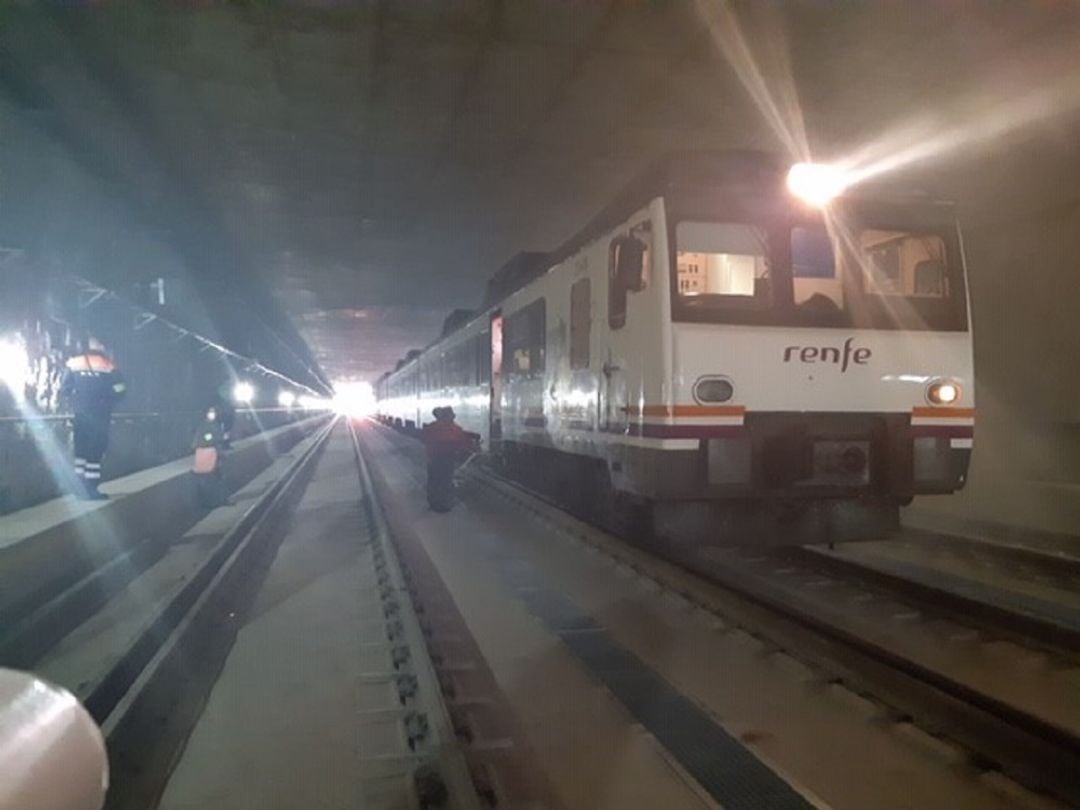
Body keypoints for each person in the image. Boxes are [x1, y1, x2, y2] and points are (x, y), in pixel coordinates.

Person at [59, 338, 126, 500]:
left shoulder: (73, 363)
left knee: (81, 451)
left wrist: (76, 402)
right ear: (102, 346)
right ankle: (91, 488)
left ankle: (79, 486)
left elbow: (65, 388)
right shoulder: (108, 364)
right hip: (100, 415)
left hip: (80, 415)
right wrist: (109, 399)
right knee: (95, 452)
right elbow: (121, 388)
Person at [421, 407, 474, 512]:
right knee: (445, 482)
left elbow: (426, 440)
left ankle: (433, 503)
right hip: (447, 460)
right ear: (450, 416)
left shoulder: (432, 427)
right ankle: (443, 504)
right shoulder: (456, 429)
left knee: (433, 481)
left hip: (433, 460)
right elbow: (462, 444)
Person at [192, 405, 228, 508]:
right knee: (210, 481)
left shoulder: (215, 424)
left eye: (214, 412)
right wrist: (213, 438)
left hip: (214, 456)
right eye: (210, 412)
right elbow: (202, 440)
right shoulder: (203, 426)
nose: (213, 414)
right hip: (208, 457)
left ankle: (220, 500)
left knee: (218, 479)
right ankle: (211, 502)